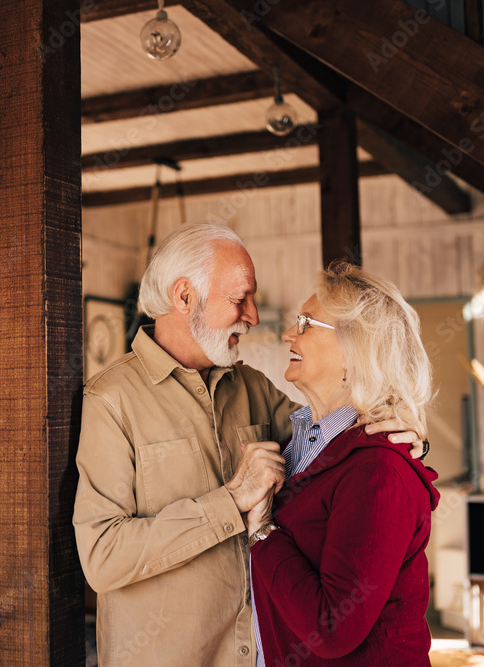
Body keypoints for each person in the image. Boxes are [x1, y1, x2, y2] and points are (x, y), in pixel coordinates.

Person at [73, 223, 423, 666]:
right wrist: (231, 502)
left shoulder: (252, 386)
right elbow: (103, 558)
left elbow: (334, 441)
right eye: (240, 299)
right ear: (184, 297)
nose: (254, 317)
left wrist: (403, 436)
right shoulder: (111, 399)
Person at [248, 262, 440, 666]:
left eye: (305, 323)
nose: (288, 334)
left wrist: (262, 532)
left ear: (357, 352)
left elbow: (332, 628)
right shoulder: (298, 443)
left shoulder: (378, 471)